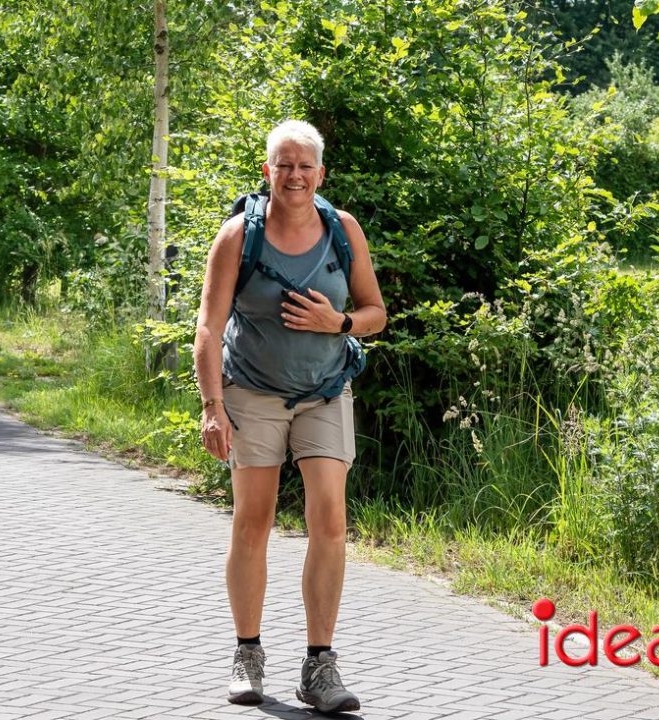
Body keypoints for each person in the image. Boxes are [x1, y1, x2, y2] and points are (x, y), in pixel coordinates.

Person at [193, 119, 387, 713]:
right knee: (253, 522)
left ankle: (320, 666)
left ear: (320, 174)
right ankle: (247, 654)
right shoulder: (238, 236)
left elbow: (376, 313)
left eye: (305, 166)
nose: (294, 175)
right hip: (252, 393)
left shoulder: (343, 231)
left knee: (330, 521)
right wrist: (212, 407)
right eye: (284, 165)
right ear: (267, 171)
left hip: (324, 392)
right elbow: (208, 328)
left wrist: (339, 323)